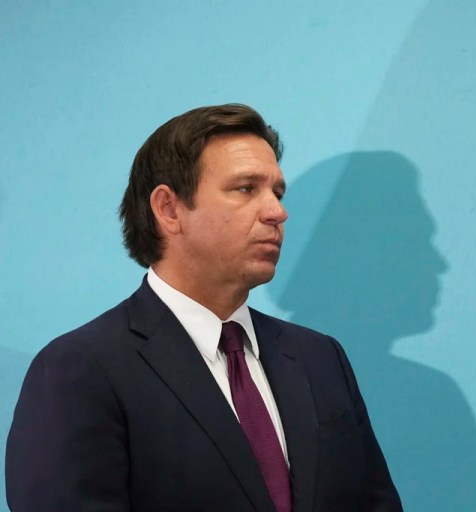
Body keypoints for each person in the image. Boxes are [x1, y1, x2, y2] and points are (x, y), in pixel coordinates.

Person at [5, 104, 403, 512]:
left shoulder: (320, 358)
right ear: (169, 209)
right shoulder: (81, 369)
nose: (277, 212)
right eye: (246, 189)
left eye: (277, 193)